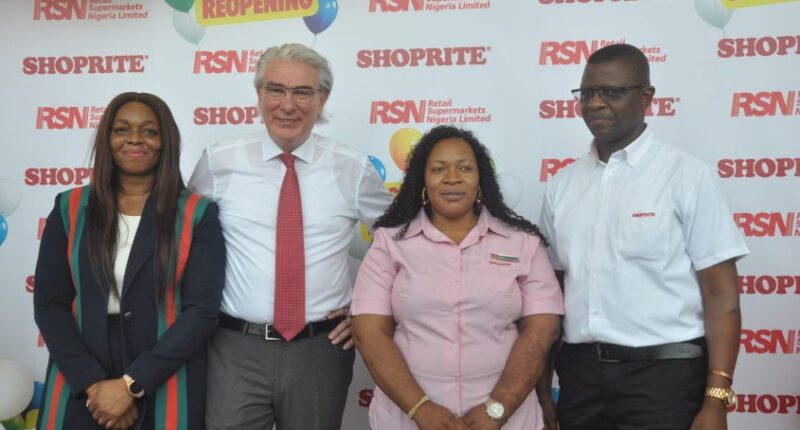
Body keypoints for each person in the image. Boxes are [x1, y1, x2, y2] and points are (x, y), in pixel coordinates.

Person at [537, 43, 749, 430]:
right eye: (587, 92)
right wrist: (541, 389)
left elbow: (721, 295)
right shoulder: (562, 186)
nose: (595, 103)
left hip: (664, 380)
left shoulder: (687, 177)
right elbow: (549, 296)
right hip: (580, 379)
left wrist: (717, 398)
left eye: (612, 91)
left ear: (646, 97)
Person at [188, 43, 393, 429]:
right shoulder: (219, 162)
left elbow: (404, 244)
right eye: (275, 89)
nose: (287, 104)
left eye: (302, 92)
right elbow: (183, 242)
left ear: (322, 99)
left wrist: (369, 310)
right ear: (259, 93)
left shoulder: (352, 168)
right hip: (234, 348)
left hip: (320, 350)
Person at [351, 125, 564, 430]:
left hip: (508, 420)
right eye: (438, 169)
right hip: (406, 419)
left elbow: (542, 330)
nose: (452, 178)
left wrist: (497, 410)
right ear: (422, 180)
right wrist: (421, 410)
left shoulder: (523, 243)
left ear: (481, 180)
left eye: (465, 168)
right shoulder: (389, 243)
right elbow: (369, 333)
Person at [34, 92, 226, 430]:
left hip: (164, 369)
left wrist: (131, 385)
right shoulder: (70, 208)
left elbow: (202, 311)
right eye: (122, 129)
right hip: (80, 371)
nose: (135, 138)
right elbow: (50, 303)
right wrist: (94, 384)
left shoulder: (196, 214)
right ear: (107, 139)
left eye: (149, 131)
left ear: (166, 142)